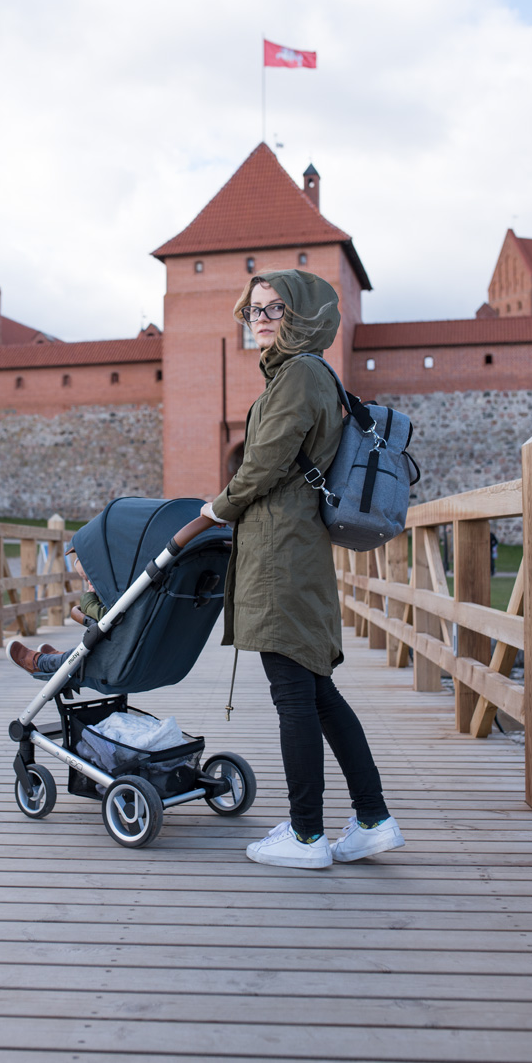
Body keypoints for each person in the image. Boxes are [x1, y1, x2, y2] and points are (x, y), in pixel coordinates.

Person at [200, 269, 404, 870]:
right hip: (295, 546)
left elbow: (265, 463)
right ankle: (373, 820)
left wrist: (217, 507)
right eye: (253, 310)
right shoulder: (309, 373)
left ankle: (307, 835)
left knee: (294, 694)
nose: (260, 319)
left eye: (274, 308)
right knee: (317, 693)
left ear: (303, 314)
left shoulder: (298, 375)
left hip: (280, 552)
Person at [7, 549, 105, 675]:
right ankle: (63, 656)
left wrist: (88, 599)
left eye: (89, 579)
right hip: (122, 647)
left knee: (93, 650)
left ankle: (42, 663)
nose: (89, 582)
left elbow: (103, 616)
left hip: (113, 659)